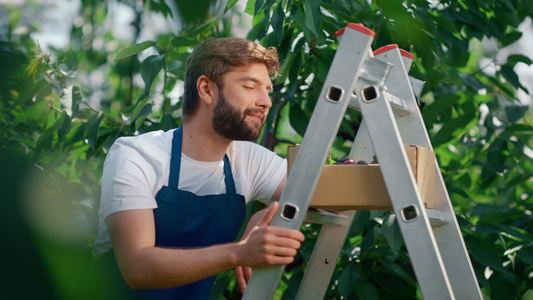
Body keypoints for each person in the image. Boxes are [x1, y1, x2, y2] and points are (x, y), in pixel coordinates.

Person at [92, 37, 305, 299]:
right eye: (250, 86)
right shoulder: (138, 155)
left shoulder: (248, 160)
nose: (266, 102)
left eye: (268, 90)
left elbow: (323, 195)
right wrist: (240, 252)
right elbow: (137, 268)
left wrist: (264, 216)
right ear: (206, 89)